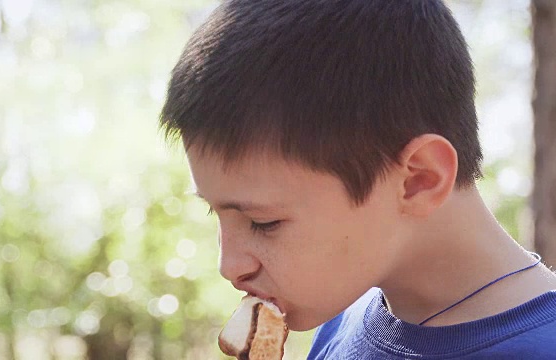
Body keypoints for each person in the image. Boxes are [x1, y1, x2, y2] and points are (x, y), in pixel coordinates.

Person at [159, 0, 556, 358]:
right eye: (216, 212)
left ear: (418, 179)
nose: (229, 266)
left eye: (264, 223)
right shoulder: (346, 313)